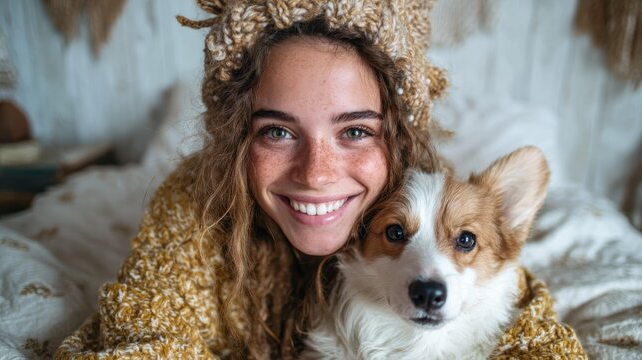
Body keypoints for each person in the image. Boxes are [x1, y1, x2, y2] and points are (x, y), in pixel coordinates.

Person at [54, 1, 446, 359]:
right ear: (238, 135)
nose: (316, 174)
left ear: (399, 139)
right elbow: (147, 336)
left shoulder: (437, 202)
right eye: (278, 132)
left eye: (356, 131)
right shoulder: (197, 198)